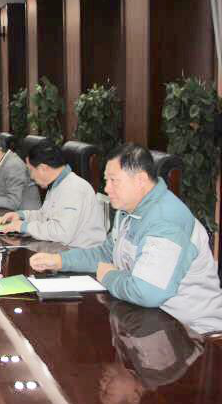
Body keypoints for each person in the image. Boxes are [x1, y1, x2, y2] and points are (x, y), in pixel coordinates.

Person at [30, 143, 222, 334]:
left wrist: (109, 276)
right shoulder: (129, 211)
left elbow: (147, 292)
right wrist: (60, 261)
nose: (107, 188)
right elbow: (106, 253)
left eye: (114, 181)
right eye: (106, 180)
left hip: (193, 333)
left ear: (140, 180)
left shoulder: (167, 221)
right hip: (149, 321)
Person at [0, 139, 105, 248]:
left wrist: (24, 227)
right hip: (63, 249)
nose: (31, 176)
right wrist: (21, 215)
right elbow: (45, 216)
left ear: (43, 168)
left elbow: (61, 233)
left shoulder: (74, 189)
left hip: (81, 254)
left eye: (30, 170)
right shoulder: (56, 184)